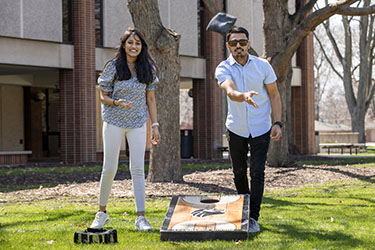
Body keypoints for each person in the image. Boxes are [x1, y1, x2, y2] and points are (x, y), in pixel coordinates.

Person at [90, 27, 160, 232]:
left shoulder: (148, 68)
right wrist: (117, 102)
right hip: (113, 121)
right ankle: (101, 214)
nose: (134, 46)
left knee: (137, 169)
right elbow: (102, 96)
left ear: (142, 46)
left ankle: (141, 218)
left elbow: (151, 99)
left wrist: (155, 126)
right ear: (123, 45)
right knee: (109, 167)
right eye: (130, 42)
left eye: (137, 43)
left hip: (138, 123)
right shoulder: (113, 66)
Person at [214, 26, 282, 233]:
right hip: (236, 128)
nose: (238, 47)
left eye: (242, 42)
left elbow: (274, 95)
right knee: (239, 172)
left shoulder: (263, 66)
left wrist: (277, 123)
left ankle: (253, 217)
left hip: (261, 127)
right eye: (234, 43)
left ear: (249, 44)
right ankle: (244, 210)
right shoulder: (223, 67)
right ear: (228, 46)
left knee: (258, 172)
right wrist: (242, 96)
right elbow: (229, 90)